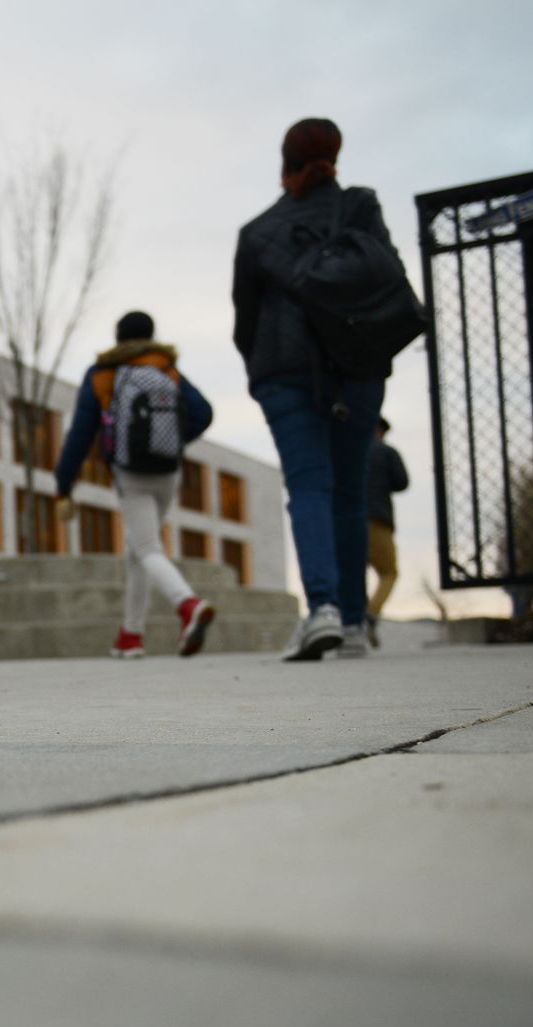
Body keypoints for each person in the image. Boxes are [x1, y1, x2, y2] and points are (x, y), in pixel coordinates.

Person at [232, 118, 403, 661]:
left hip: (285, 371)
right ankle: (353, 623)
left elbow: (245, 322)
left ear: (284, 165)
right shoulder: (359, 211)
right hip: (356, 366)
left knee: (308, 486)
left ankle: (323, 609)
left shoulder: (258, 233)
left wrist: (262, 376)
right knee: (350, 491)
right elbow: (386, 278)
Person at [53, 312, 216, 659]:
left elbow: (81, 434)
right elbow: (203, 413)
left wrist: (64, 484)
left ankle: (187, 604)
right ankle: (131, 634)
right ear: (151, 336)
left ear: (118, 338)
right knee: (140, 548)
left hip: (130, 471)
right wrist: (171, 440)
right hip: (169, 471)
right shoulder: (165, 369)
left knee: (147, 547)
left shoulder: (103, 374)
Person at [365, 417, 409, 647]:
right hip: (378, 519)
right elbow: (402, 482)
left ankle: (353, 617)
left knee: (352, 573)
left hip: (347, 521)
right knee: (389, 573)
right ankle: (370, 614)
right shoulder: (386, 452)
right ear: (380, 431)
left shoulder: (347, 450)